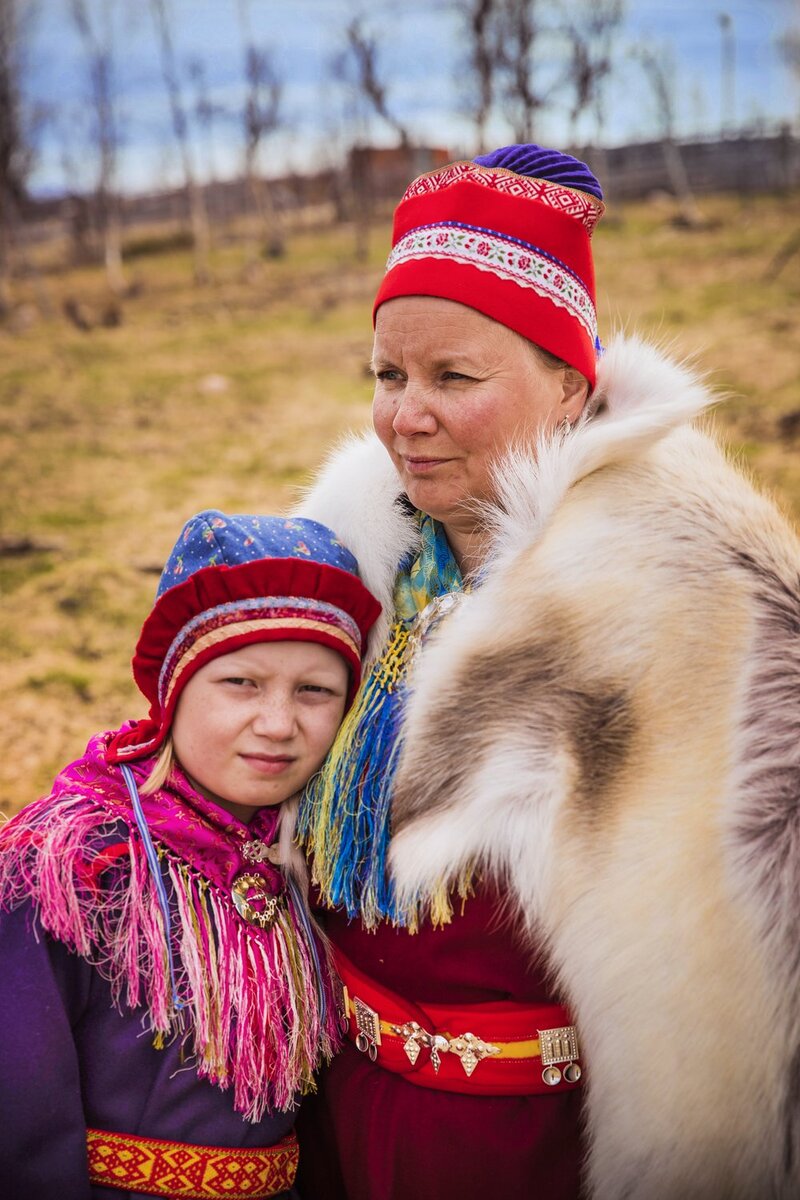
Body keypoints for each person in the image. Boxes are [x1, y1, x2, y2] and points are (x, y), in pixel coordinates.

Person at [294, 144, 800, 1199]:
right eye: (388, 375)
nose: (402, 416)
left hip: (530, 1153)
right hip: (347, 1120)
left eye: (452, 377)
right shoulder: (356, 567)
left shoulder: (683, 608)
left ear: (569, 385)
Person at [0, 510, 380, 1200]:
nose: (277, 724)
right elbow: (18, 1123)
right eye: (241, 683)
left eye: (315, 691)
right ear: (171, 693)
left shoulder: (303, 857)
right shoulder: (71, 868)